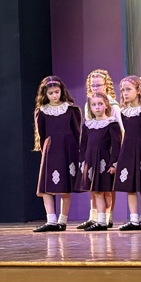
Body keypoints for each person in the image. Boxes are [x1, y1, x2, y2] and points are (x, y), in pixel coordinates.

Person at [32, 76, 82, 232]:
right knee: (47, 186)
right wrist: (45, 150)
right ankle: (51, 220)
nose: (54, 95)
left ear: (61, 91)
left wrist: (78, 152)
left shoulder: (71, 109)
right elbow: (41, 133)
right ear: (45, 94)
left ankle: (62, 220)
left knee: (64, 187)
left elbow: (77, 131)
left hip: (68, 149)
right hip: (51, 149)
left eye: (57, 92)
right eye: (51, 93)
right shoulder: (42, 111)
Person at [115, 75, 141, 231]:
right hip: (128, 149)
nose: (125, 93)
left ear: (138, 90)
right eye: (123, 90)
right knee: (130, 186)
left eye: (128, 89)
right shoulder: (124, 111)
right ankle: (133, 219)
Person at [77, 91, 121, 232]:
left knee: (106, 191)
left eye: (100, 104)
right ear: (90, 107)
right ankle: (101, 220)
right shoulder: (88, 124)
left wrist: (114, 163)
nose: (97, 107)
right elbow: (83, 145)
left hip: (104, 161)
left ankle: (107, 217)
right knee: (96, 191)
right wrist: (82, 161)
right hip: (91, 162)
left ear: (106, 105)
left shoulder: (111, 123)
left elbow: (116, 145)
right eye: (94, 105)